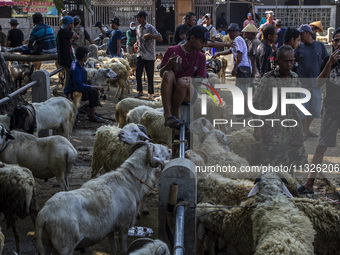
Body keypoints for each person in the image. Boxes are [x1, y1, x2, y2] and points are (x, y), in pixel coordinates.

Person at [298, 28, 340, 194]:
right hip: (330, 108)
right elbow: (318, 83)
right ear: (332, 43)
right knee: (320, 147)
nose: (338, 43)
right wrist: (329, 63)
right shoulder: (327, 60)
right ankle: (309, 183)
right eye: (336, 40)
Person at [253, 45, 308, 166]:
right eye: (285, 62)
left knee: (294, 163)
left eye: (291, 61)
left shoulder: (295, 78)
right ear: (277, 62)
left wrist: (302, 129)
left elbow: (298, 104)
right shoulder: (267, 79)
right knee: (274, 165)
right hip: (273, 131)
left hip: (293, 130)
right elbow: (255, 103)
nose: (289, 65)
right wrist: (257, 128)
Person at [160, 25, 207, 128]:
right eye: (202, 41)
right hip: (172, 89)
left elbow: (200, 81)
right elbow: (161, 74)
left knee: (183, 82)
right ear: (192, 38)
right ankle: (167, 115)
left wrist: (191, 79)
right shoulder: (172, 50)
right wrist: (169, 65)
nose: (203, 45)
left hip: (189, 92)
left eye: (205, 42)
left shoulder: (201, 56)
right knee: (168, 73)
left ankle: (174, 113)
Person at [294, 24, 328, 140]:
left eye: (302, 34)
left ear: (308, 33)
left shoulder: (320, 46)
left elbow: (326, 61)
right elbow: (294, 63)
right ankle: (304, 131)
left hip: (316, 83)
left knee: (315, 110)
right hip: (302, 83)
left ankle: (306, 129)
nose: (300, 36)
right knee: (303, 109)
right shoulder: (299, 48)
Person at [213, 23, 252, 115]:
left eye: (231, 32)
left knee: (243, 90)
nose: (229, 35)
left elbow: (239, 54)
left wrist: (235, 68)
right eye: (229, 32)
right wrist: (219, 54)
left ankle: (245, 111)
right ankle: (244, 110)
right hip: (243, 67)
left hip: (242, 67)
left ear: (235, 32)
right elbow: (230, 50)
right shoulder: (237, 40)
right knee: (242, 89)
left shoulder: (238, 39)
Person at [64, 46, 104, 123]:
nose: (87, 56)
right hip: (73, 92)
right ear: (84, 57)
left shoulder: (80, 65)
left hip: (77, 88)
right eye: (86, 54)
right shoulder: (75, 68)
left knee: (90, 83)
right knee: (94, 92)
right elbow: (79, 86)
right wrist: (96, 87)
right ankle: (92, 116)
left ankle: (91, 111)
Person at [134, 10, 163, 99]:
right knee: (138, 73)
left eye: (138, 18)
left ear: (143, 18)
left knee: (150, 74)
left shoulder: (150, 28)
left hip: (149, 55)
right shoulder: (138, 28)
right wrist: (136, 43)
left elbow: (160, 38)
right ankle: (140, 91)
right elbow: (138, 38)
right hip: (140, 54)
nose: (137, 19)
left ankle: (150, 93)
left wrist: (150, 35)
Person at [57, 16, 79, 86]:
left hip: (67, 57)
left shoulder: (63, 31)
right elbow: (76, 36)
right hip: (66, 58)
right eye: (72, 24)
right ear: (70, 24)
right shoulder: (64, 31)